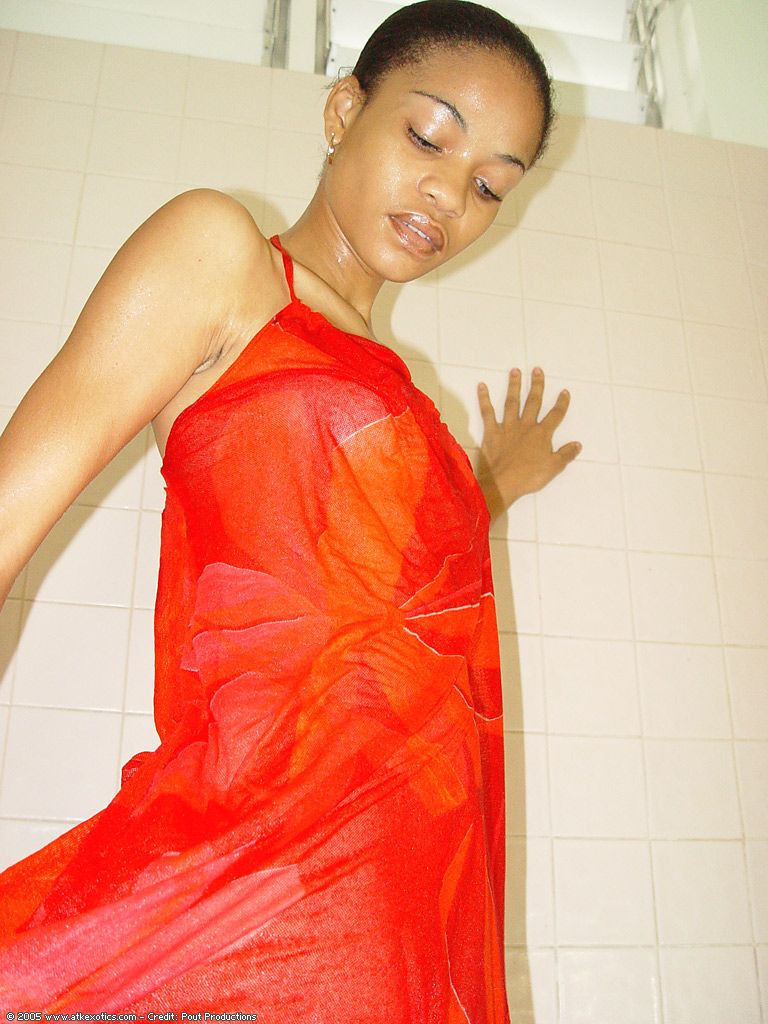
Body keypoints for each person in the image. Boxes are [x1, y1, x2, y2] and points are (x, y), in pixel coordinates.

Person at [0, 0, 579, 1015]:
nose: (451, 193)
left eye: (492, 184)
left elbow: (370, 605)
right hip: (253, 889)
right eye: (428, 136)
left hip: (407, 919)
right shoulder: (224, 259)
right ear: (343, 110)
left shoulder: (411, 405)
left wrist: (488, 485)